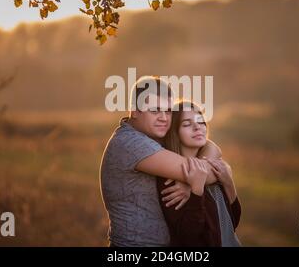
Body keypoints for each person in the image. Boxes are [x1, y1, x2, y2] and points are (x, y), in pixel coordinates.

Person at [100, 76, 221, 247]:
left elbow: (211, 146)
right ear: (134, 111)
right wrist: (192, 180)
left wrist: (190, 180)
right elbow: (199, 172)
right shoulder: (131, 143)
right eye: (155, 110)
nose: (164, 118)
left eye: (168, 111)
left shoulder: (153, 137)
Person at [157, 100, 242, 246]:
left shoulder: (214, 169)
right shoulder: (170, 180)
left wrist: (228, 183)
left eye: (201, 122)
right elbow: (188, 237)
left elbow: (232, 222)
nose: (197, 127)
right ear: (174, 132)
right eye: (187, 124)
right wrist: (196, 190)